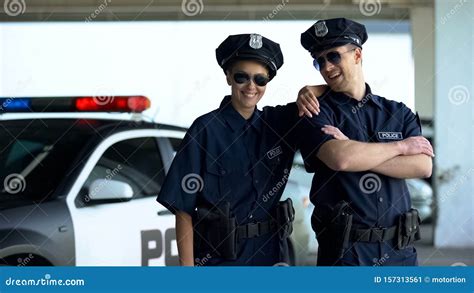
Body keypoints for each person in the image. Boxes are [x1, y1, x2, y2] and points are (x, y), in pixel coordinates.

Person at [157, 33, 325, 266]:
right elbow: (183, 210)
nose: (251, 86)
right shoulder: (205, 130)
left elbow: (336, 93)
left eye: (260, 80)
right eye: (241, 77)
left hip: (271, 258)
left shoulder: (280, 124)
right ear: (228, 77)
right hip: (219, 262)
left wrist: (309, 90)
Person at [297, 18, 434, 266]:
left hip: (399, 253)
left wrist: (356, 151)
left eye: (334, 56)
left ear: (357, 55)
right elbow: (341, 158)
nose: (327, 67)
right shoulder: (315, 111)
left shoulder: (397, 112)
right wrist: (400, 148)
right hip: (346, 256)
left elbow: (422, 166)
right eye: (319, 61)